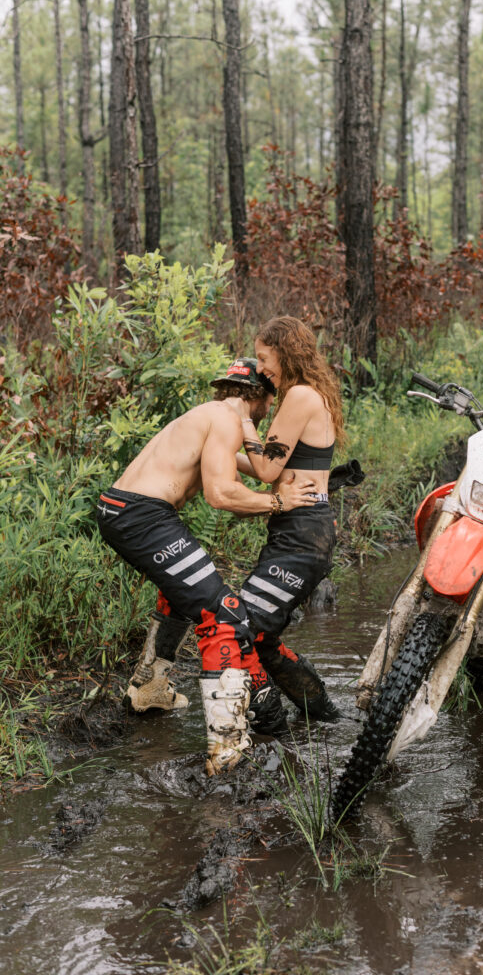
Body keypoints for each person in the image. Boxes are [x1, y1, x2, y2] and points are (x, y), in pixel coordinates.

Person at [96, 358, 316, 777]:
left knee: (182, 595)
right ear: (260, 397)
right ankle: (228, 749)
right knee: (224, 612)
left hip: (120, 510)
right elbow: (221, 494)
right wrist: (278, 503)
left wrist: (294, 482)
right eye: (271, 398)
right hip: (143, 517)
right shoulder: (227, 421)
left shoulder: (211, 415)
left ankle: (149, 689)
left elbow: (259, 470)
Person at [227, 315, 344, 722]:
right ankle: (324, 713)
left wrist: (241, 416)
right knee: (261, 636)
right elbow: (267, 465)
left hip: (303, 535)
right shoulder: (304, 395)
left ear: (285, 352)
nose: (260, 369)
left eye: (264, 358)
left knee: (241, 624)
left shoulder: (300, 397)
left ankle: (270, 722)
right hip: (301, 532)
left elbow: (267, 471)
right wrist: (217, 454)